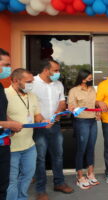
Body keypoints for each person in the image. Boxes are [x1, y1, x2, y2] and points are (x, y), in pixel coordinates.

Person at [5, 69, 51, 200]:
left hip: (29, 146)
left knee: (27, 176)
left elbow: (36, 114)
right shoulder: (4, 95)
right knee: (11, 180)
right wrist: (11, 123)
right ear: (16, 81)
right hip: (11, 147)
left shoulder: (32, 95)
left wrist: (43, 121)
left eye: (32, 81)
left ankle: (22, 197)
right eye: (28, 82)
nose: (31, 84)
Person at [31, 59, 73, 200]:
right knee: (40, 158)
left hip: (55, 125)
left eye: (58, 70)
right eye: (55, 70)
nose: (58, 73)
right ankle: (41, 190)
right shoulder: (32, 83)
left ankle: (59, 183)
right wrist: (42, 121)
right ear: (45, 70)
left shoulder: (58, 84)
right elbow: (30, 105)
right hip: (39, 126)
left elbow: (62, 101)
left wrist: (56, 116)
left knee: (58, 156)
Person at [68, 70, 100, 189]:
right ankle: (80, 176)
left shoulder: (92, 90)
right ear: (83, 79)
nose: (91, 80)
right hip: (81, 122)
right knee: (81, 149)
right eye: (89, 78)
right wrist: (73, 108)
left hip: (92, 122)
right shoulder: (74, 91)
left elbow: (95, 104)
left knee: (91, 148)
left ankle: (90, 173)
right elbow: (71, 106)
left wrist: (98, 111)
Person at [0, 48, 23, 200]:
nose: (9, 69)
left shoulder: (0, 86)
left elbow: (2, 110)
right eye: (6, 65)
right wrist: (8, 125)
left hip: (3, 143)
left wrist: (10, 122)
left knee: (3, 184)